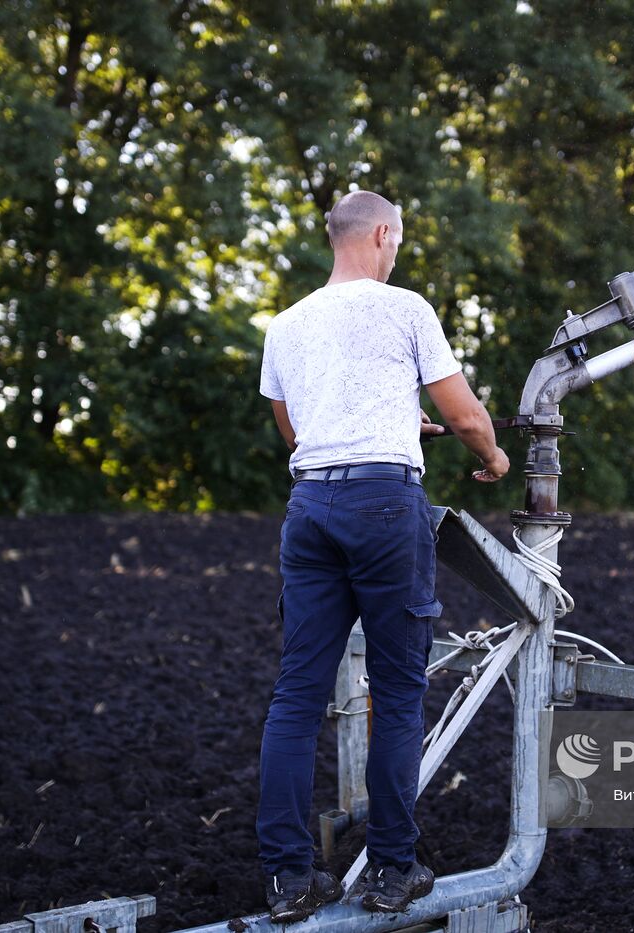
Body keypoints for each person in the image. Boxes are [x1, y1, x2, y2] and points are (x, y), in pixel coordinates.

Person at [255, 190, 509, 923]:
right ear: (381, 234)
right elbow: (463, 411)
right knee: (397, 692)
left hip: (310, 510)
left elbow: (297, 432)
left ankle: (288, 878)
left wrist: (396, 422)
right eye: (396, 239)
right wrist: (490, 453)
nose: (397, 249)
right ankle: (393, 869)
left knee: (296, 696)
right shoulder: (406, 308)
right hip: (385, 509)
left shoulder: (287, 323)